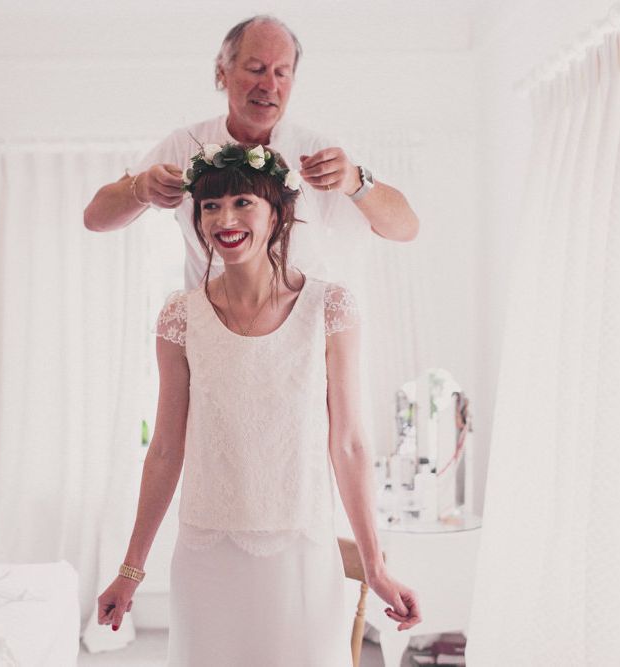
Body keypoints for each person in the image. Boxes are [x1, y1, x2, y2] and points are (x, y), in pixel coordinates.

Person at [96, 142, 421, 665]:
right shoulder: (180, 317)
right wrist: (130, 569)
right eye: (209, 206)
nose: (225, 217)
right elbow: (164, 449)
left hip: (299, 553)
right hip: (205, 554)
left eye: (243, 201)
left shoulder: (328, 307)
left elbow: (350, 445)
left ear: (278, 214)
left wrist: (376, 567)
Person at [83, 14, 419, 290]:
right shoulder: (183, 143)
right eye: (256, 69)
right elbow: (96, 219)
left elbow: (406, 229)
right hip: (210, 332)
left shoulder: (317, 150)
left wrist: (355, 181)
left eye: (281, 73)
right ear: (222, 72)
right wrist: (141, 188)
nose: (270, 85)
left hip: (301, 333)